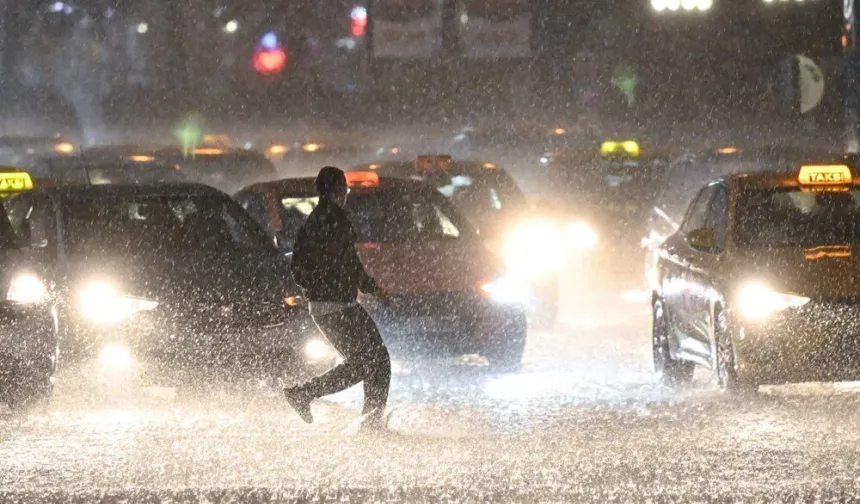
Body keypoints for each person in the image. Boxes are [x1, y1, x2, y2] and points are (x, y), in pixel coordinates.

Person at [284, 166, 392, 429]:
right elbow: (350, 263)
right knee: (370, 362)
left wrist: (315, 289)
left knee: (374, 361)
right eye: (343, 187)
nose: (345, 192)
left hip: (333, 304)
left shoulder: (315, 221)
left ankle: (371, 422)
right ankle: (305, 393)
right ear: (337, 189)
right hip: (336, 305)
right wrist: (367, 287)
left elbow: (299, 265)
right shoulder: (334, 220)